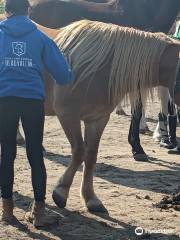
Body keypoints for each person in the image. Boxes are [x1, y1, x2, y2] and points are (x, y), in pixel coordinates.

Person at [0, 0, 73, 227]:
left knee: (7, 154)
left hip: (5, 101)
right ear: (29, 11)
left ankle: (7, 211)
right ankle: (39, 212)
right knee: (35, 155)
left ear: (6, 11)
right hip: (32, 101)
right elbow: (63, 76)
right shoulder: (41, 37)